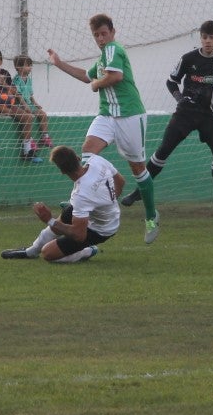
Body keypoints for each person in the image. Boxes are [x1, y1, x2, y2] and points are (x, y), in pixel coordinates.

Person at [120, 20, 213, 216]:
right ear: (200, 38)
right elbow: (171, 81)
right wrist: (179, 98)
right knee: (163, 151)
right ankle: (139, 192)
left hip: (211, 115)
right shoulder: (188, 58)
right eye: (204, 37)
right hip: (185, 114)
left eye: (212, 37)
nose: (208, 41)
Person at [48, 13, 160, 243]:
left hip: (129, 115)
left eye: (103, 33)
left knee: (138, 167)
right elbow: (86, 76)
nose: (100, 38)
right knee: (88, 151)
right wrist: (59, 64)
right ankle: (91, 197)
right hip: (108, 114)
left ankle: (151, 215)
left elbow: (115, 77)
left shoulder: (113, 49)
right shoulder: (103, 59)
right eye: (96, 35)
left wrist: (97, 84)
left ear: (112, 32)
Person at [0, 145, 123, 263]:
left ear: (62, 171)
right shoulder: (97, 160)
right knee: (61, 221)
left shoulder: (81, 195)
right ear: (78, 158)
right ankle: (31, 251)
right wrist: (107, 201)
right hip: (99, 212)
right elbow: (121, 181)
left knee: (48, 253)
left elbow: (79, 235)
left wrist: (49, 220)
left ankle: (88, 251)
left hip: (103, 229)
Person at [0, 47, 40, 162]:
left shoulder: (5, 73)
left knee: (28, 117)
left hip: (5, 104)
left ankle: (27, 151)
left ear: (1, 62)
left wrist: (5, 84)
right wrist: (2, 108)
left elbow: (14, 92)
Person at [12, 54, 53, 148]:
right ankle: (30, 140)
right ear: (19, 67)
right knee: (29, 117)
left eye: (31, 65)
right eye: (28, 65)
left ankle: (45, 137)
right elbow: (17, 94)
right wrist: (24, 105)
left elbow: (30, 94)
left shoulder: (29, 79)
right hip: (20, 105)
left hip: (28, 104)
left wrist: (35, 104)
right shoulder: (16, 80)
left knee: (42, 114)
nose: (30, 67)